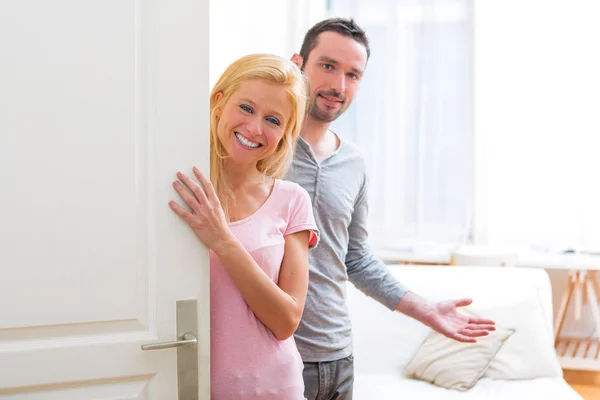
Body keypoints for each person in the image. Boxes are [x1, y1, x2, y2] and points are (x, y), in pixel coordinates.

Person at [285, 18, 496, 400]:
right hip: (276, 356)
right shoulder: (263, 148)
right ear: (298, 63)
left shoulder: (354, 162)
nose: (339, 86)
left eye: (353, 74)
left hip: (338, 357)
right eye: (328, 66)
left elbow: (356, 258)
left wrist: (425, 309)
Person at [169, 53, 320, 400]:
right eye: (247, 108)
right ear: (220, 103)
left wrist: (222, 241)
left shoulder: (292, 200)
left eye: (272, 119)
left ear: (284, 133)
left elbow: (286, 321)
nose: (255, 128)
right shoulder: (178, 188)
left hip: (274, 388)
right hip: (185, 387)